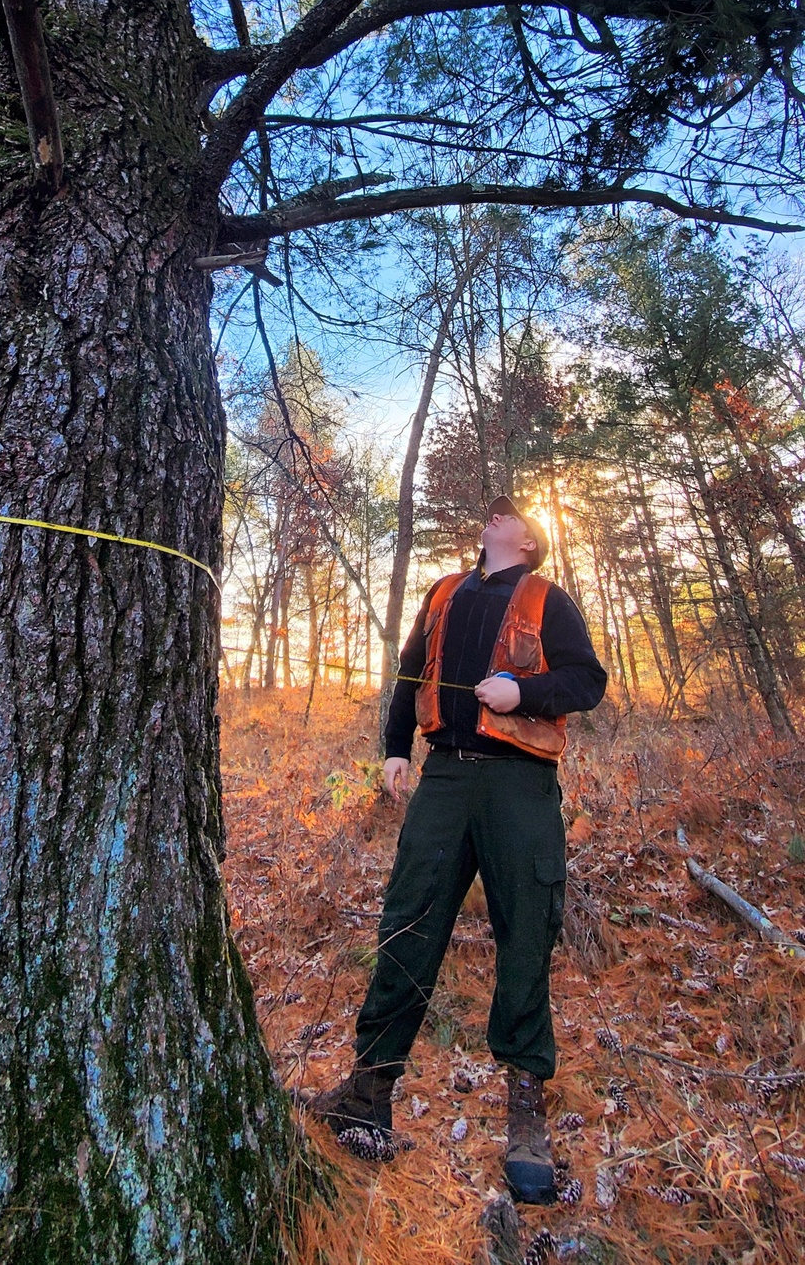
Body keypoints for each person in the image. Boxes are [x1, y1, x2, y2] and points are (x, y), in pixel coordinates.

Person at [310, 497, 606, 1203]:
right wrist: (391, 749)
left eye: (514, 514)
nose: (498, 512)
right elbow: (412, 675)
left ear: (529, 543)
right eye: (493, 510)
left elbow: (586, 680)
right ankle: (369, 1094)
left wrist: (522, 692)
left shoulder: (547, 598)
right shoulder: (443, 591)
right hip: (442, 778)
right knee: (407, 923)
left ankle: (526, 1116)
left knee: (527, 934)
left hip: (519, 786)